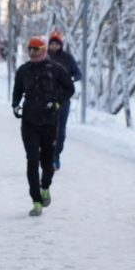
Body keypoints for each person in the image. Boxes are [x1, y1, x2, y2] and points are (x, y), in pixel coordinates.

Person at [12, 34, 74, 217]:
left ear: (43, 49)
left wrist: (56, 103)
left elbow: (70, 88)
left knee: (47, 163)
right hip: (29, 121)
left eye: (36, 49)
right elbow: (17, 90)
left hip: (49, 121)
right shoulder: (23, 70)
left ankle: (45, 186)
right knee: (32, 160)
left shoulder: (56, 69)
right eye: (29, 49)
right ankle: (36, 201)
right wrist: (15, 104)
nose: (32, 52)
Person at [47, 29, 83, 171]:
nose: (54, 46)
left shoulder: (68, 58)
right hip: (46, 97)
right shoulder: (44, 57)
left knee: (60, 128)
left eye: (57, 44)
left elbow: (78, 74)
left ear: (60, 45)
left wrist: (69, 79)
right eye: (52, 44)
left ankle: (56, 155)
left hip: (63, 99)